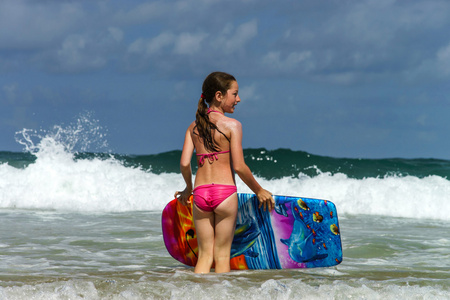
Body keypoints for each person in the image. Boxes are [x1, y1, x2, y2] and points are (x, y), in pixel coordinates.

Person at [174, 71, 274, 274]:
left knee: (204, 256)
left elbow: (185, 163)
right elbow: (239, 166)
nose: (238, 99)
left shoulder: (193, 128)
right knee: (221, 256)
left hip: (201, 195)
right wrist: (259, 190)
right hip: (225, 195)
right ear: (219, 96)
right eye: (235, 94)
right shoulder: (233, 126)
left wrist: (188, 188)